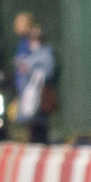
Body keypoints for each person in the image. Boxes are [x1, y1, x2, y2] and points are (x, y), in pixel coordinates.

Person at [12, 13, 57, 146]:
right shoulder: (23, 45)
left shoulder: (43, 51)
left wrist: (29, 69)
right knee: (32, 122)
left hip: (38, 91)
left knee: (39, 122)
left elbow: (46, 69)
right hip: (27, 89)